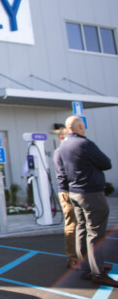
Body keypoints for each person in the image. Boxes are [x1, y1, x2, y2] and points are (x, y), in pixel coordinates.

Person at [54, 115, 116, 287]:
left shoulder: (63, 146)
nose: (84, 128)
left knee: (82, 229)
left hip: (74, 193)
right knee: (95, 233)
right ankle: (97, 272)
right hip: (91, 193)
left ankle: (86, 267)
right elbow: (106, 163)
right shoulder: (84, 143)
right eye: (83, 126)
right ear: (80, 127)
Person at [55, 127, 79, 269]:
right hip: (68, 191)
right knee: (72, 224)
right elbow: (63, 174)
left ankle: (87, 258)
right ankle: (72, 258)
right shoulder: (60, 152)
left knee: (85, 225)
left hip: (80, 191)